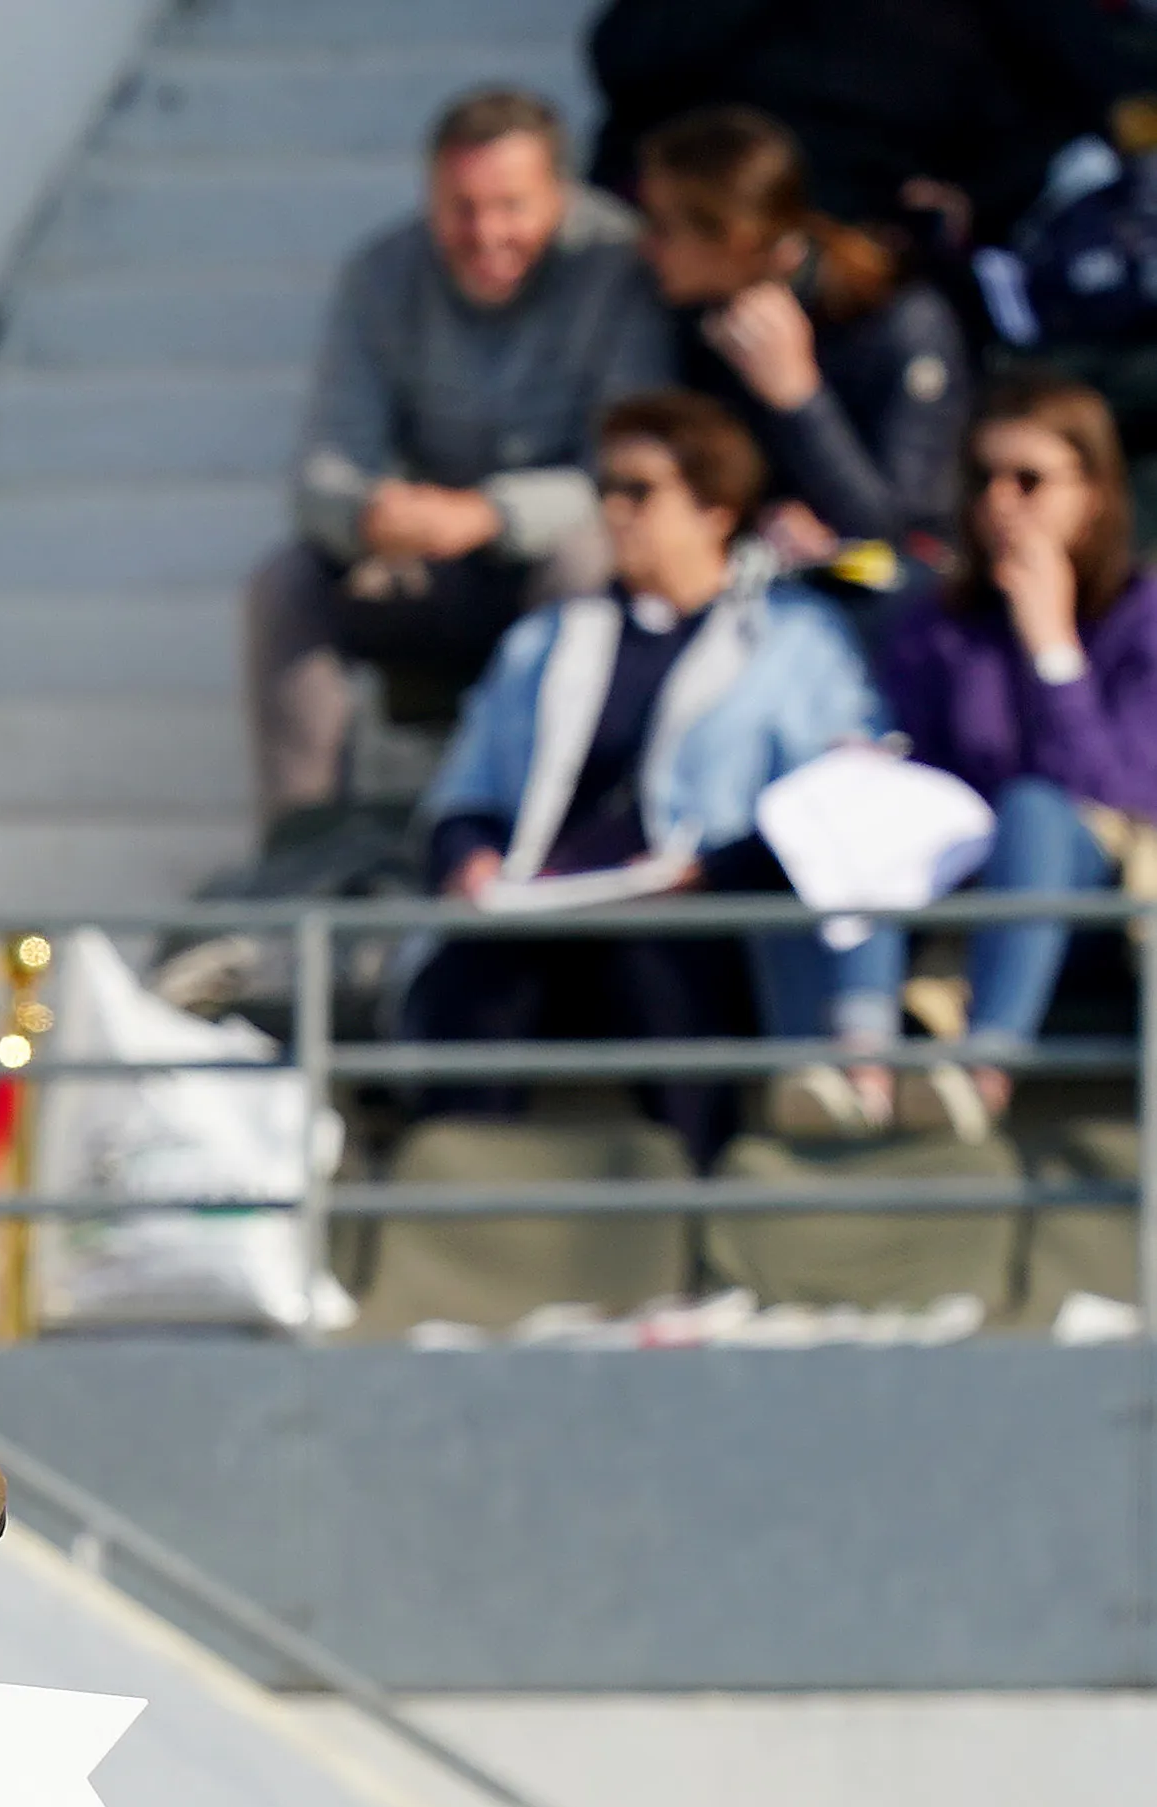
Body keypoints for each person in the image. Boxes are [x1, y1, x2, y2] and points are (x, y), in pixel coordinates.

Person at [408, 387, 879, 1159]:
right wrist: (470, 859)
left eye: (640, 491)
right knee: (476, 968)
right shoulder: (547, 638)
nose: (615, 511)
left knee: (656, 958)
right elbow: (467, 792)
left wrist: (705, 873)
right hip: (543, 903)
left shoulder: (795, 638)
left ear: (715, 510)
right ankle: (460, 1212)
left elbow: (837, 799)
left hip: (708, 914)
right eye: (606, 491)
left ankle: (698, 1210)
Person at [249, 88, 671, 831]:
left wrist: (490, 514)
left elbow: (625, 467)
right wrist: (370, 513)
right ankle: (301, 846)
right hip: (427, 561)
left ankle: (550, 826)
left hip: (555, 560)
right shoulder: (381, 273)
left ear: (561, 195)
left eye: (511, 206)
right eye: (461, 207)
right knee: (286, 583)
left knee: (586, 556)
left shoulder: (618, 267)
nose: (485, 232)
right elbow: (324, 466)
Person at [875, 372, 1157, 1126]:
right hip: (964, 881)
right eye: (984, 479)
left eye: (1028, 480)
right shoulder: (939, 625)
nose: (1000, 502)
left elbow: (1118, 788)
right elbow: (925, 776)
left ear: (1094, 492)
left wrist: (1052, 647)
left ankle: (983, 1070)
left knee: (1034, 806)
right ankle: (852, 1067)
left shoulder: (1143, 615)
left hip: (1104, 897)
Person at [635, 106, 968, 570]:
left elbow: (902, 531)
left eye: (663, 228)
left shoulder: (899, 318)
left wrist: (798, 397)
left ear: (736, 238)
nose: (643, 244)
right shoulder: (692, 316)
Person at [590, 0, 1148, 250]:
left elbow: (1093, 94)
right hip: (719, 241)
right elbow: (625, 59)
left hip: (886, 253)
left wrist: (980, 198)